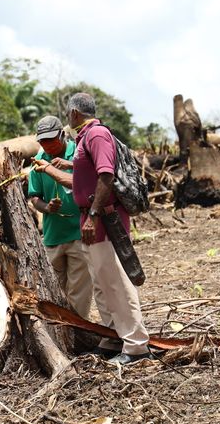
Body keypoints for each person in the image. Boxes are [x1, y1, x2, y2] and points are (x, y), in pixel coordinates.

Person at [65, 93, 151, 364]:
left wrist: (93, 215)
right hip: (90, 218)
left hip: (102, 218)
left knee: (116, 282)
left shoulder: (97, 134)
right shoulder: (84, 137)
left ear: (75, 113)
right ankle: (114, 336)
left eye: (69, 114)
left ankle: (136, 345)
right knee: (102, 283)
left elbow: (106, 175)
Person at [28, 115, 98, 323]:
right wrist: (47, 208)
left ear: (62, 134)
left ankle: (78, 332)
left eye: (51, 139)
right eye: (43, 141)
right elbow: (34, 197)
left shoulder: (78, 153)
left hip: (78, 232)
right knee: (54, 289)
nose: (47, 145)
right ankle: (59, 331)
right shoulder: (39, 160)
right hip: (53, 236)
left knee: (79, 291)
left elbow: (92, 180)